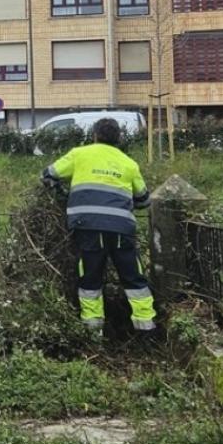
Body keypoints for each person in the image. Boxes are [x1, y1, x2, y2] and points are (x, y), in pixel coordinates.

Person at [42, 118, 156, 333]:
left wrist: (64, 196)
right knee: (132, 276)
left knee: (90, 276)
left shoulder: (79, 154)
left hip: (88, 226)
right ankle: (146, 327)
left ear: (94, 135)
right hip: (121, 228)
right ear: (119, 138)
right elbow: (144, 199)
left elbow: (48, 175)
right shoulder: (129, 163)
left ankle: (93, 329)